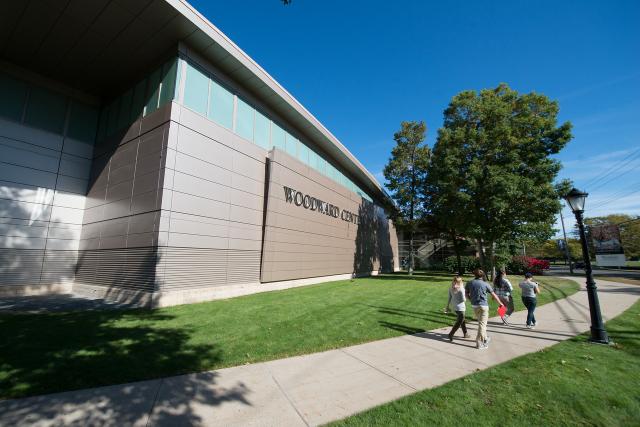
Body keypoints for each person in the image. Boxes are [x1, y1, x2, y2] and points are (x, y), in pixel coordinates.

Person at [466, 269, 504, 350]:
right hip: (483, 306)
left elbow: (466, 294)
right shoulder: (485, 284)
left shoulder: (469, 283)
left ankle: (485, 338)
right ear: (482, 275)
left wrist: (470, 300)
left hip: (475, 306)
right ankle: (479, 343)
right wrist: (500, 303)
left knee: (481, 323)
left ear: (474, 275)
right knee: (482, 325)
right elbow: (494, 294)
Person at [445, 276, 470, 341]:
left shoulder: (451, 288)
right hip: (461, 308)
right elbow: (463, 300)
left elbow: (449, 297)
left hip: (455, 307)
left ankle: (465, 333)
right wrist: (467, 295)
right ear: (460, 282)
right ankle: (451, 334)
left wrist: (447, 306)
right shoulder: (461, 289)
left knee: (462, 320)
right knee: (459, 321)